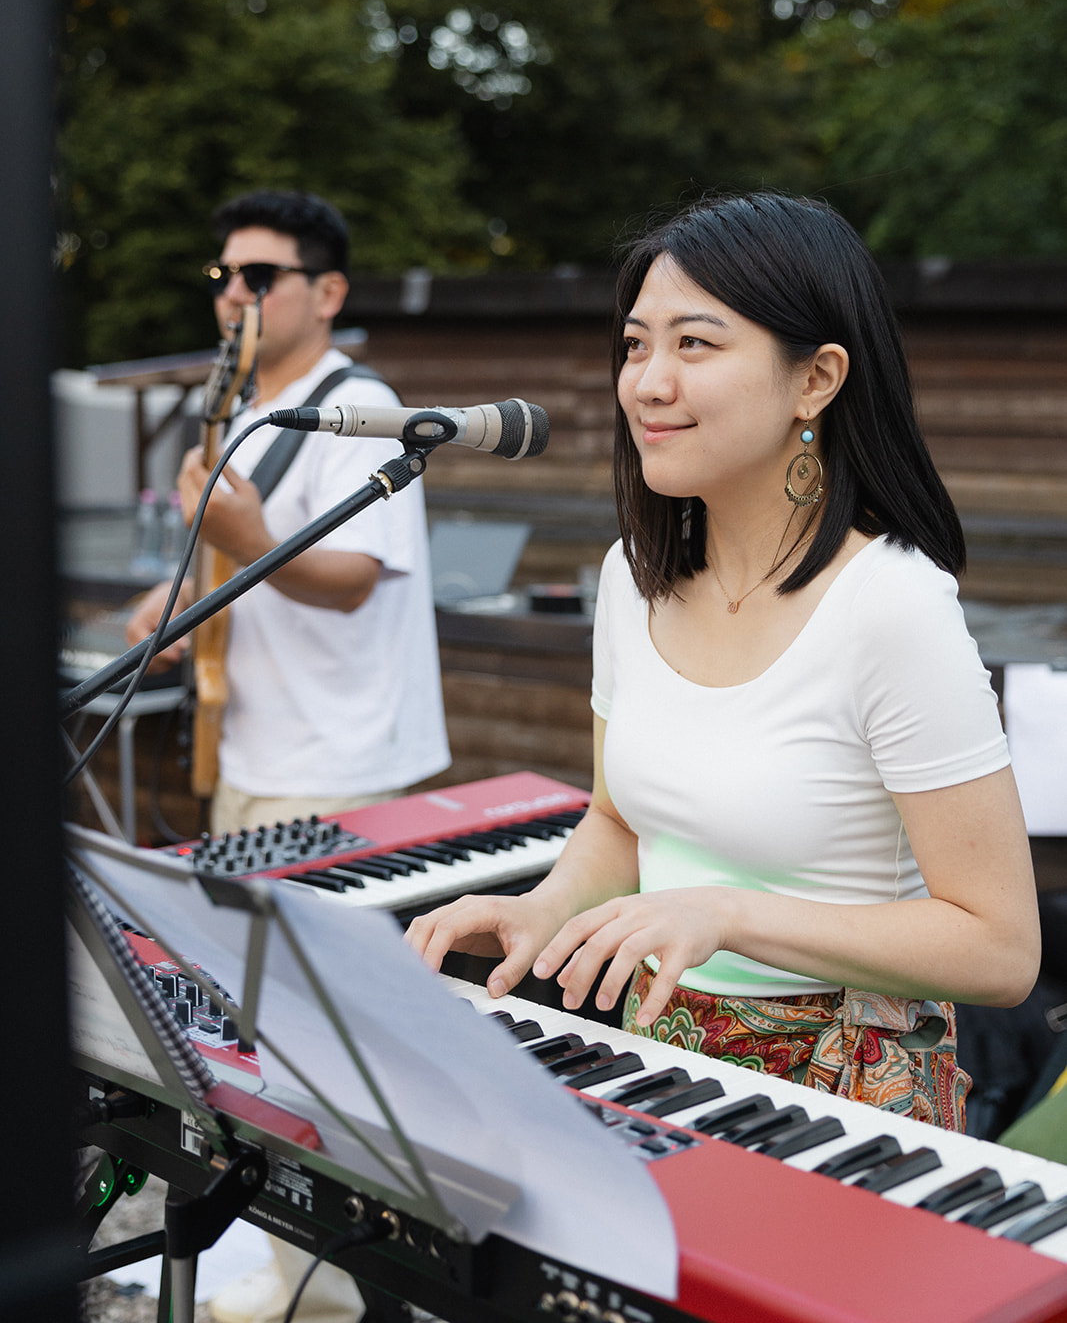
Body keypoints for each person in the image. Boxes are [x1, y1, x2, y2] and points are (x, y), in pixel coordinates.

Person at [407, 191, 1040, 1132]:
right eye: (634, 344)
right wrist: (542, 909)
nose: (647, 383)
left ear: (815, 379)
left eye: (694, 344)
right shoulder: (633, 578)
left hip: (847, 1091)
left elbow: (999, 950)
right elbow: (620, 822)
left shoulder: (891, 606)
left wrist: (727, 914)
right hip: (660, 1061)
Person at [127, 188, 450, 1323]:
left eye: (259, 276)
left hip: (337, 757)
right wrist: (159, 598)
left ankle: (355, 1287)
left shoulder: (361, 406)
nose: (234, 294)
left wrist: (241, 536)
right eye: (223, 275)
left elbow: (350, 576)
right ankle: (290, 1274)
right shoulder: (247, 404)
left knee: (323, 1047)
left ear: (328, 292)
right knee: (261, 1037)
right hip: (254, 741)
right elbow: (241, 573)